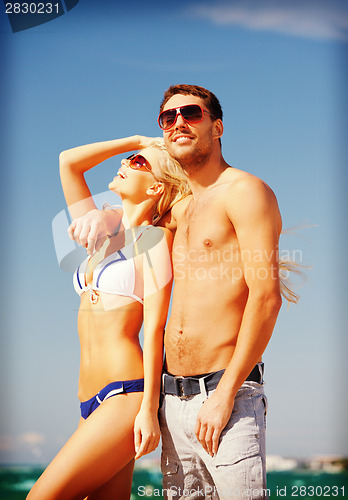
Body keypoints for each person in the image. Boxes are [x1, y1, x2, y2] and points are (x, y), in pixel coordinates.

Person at [69, 85, 297, 499]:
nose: (178, 123)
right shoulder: (178, 207)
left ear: (218, 126)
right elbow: (139, 212)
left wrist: (225, 394)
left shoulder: (245, 192)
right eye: (168, 118)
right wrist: (107, 213)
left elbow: (267, 297)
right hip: (171, 402)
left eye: (191, 114)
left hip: (225, 397)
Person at [27, 135, 190, 500]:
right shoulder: (101, 234)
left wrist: (149, 409)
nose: (126, 162)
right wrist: (135, 141)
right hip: (88, 400)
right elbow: (68, 161)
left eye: (138, 162)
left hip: (124, 394)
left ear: (156, 187)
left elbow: (155, 329)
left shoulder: (156, 239)